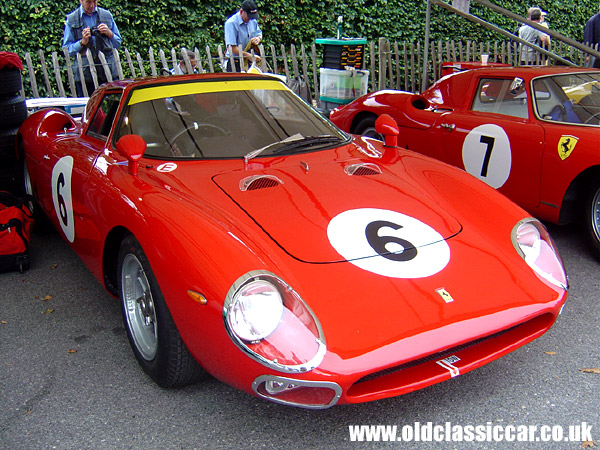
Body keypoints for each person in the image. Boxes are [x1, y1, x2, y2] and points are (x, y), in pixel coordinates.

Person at [62, 0, 122, 97]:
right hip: (85, 76)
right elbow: (67, 50)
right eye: (88, 2)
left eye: (94, 1)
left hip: (108, 72)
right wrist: (82, 42)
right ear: (80, 1)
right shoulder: (72, 19)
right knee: (88, 108)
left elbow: (118, 43)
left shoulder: (106, 15)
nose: (92, 5)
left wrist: (109, 33)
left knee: (113, 107)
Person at [224, 0, 263, 72]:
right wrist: (248, 56)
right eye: (248, 16)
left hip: (249, 61)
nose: (250, 19)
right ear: (241, 11)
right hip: (235, 62)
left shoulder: (252, 20)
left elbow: (258, 33)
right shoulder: (231, 23)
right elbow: (232, 48)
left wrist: (258, 38)